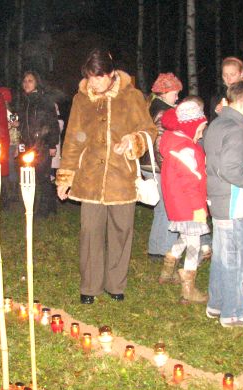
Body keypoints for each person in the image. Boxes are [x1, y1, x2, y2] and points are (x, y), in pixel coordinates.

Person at [56, 48, 157, 304]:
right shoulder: (81, 100)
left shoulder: (131, 97)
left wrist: (133, 140)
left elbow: (149, 130)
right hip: (89, 178)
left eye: (99, 77)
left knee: (121, 231)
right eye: (90, 77)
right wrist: (65, 177)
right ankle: (90, 286)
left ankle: (115, 283)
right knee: (90, 232)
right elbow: (72, 140)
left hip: (122, 177)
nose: (94, 83)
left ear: (111, 74)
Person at [203, 80, 243, 328]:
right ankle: (233, 313)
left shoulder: (217, 123)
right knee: (238, 259)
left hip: (220, 201)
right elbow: (229, 168)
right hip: (234, 202)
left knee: (222, 257)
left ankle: (217, 304)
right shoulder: (237, 129)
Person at [159, 97, 210, 304]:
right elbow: (191, 183)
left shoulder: (175, 142)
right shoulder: (186, 150)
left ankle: (167, 270)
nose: (201, 133)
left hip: (177, 205)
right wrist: (199, 207)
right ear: (190, 126)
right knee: (194, 245)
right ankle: (188, 289)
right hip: (189, 205)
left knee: (186, 237)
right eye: (200, 128)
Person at [142, 72, 182, 262]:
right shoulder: (163, 111)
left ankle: (156, 249)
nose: (177, 96)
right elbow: (159, 141)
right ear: (165, 92)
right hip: (158, 165)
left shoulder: (154, 106)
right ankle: (164, 250)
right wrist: (168, 167)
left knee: (161, 208)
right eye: (175, 92)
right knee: (168, 208)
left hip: (150, 163)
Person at [16, 70, 60, 218]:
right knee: (29, 176)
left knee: (43, 177)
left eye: (30, 81)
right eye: (25, 81)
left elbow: (52, 123)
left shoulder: (44, 101)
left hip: (42, 144)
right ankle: (43, 205)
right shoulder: (24, 101)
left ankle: (44, 210)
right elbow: (24, 123)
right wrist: (18, 124)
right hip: (27, 145)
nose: (26, 84)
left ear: (36, 83)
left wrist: (53, 144)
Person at [209, 57, 243, 122]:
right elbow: (212, 124)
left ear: (241, 74)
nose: (228, 79)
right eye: (225, 75)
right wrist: (217, 113)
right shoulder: (216, 99)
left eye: (232, 74)